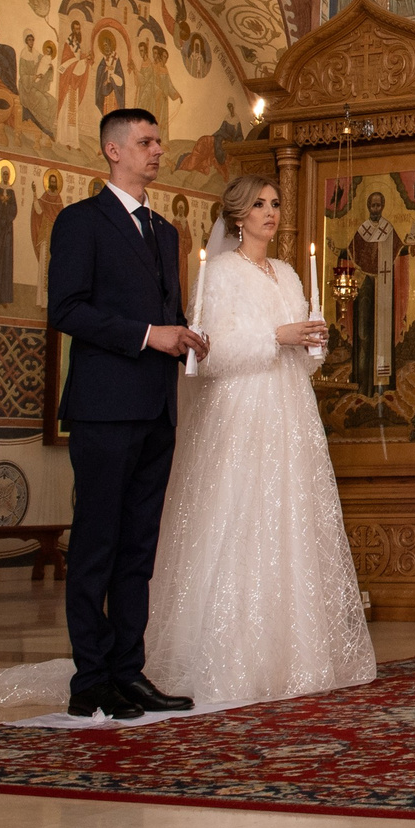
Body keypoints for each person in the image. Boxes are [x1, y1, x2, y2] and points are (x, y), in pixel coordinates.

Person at [145, 175, 375, 703]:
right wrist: (277, 336)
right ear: (238, 215)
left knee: (287, 519)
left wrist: (311, 339)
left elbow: (303, 354)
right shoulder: (219, 274)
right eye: (259, 205)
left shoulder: (291, 274)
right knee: (237, 515)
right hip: (240, 414)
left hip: (288, 411)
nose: (269, 212)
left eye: (274, 204)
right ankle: (221, 651)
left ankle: (291, 652)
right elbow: (211, 353)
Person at [46, 108, 211, 719]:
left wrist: (186, 336)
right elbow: (66, 309)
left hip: (155, 409)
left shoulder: (165, 233)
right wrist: (148, 335)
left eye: (159, 141)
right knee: (97, 543)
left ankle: (129, 672)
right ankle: (90, 678)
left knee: (139, 549)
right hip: (103, 407)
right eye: (145, 142)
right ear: (113, 151)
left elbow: (165, 311)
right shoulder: (80, 222)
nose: (158, 151)